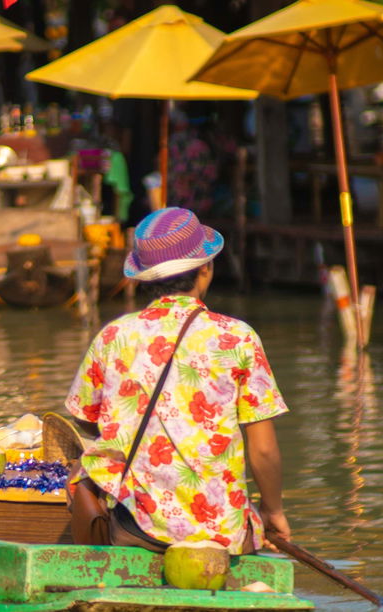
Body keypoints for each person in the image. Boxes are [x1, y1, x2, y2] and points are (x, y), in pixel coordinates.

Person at [65, 207, 290, 555]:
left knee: (85, 470)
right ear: (205, 269)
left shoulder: (113, 336)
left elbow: (86, 419)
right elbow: (262, 450)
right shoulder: (238, 338)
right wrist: (273, 512)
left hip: (137, 528)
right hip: (220, 535)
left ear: (143, 278)